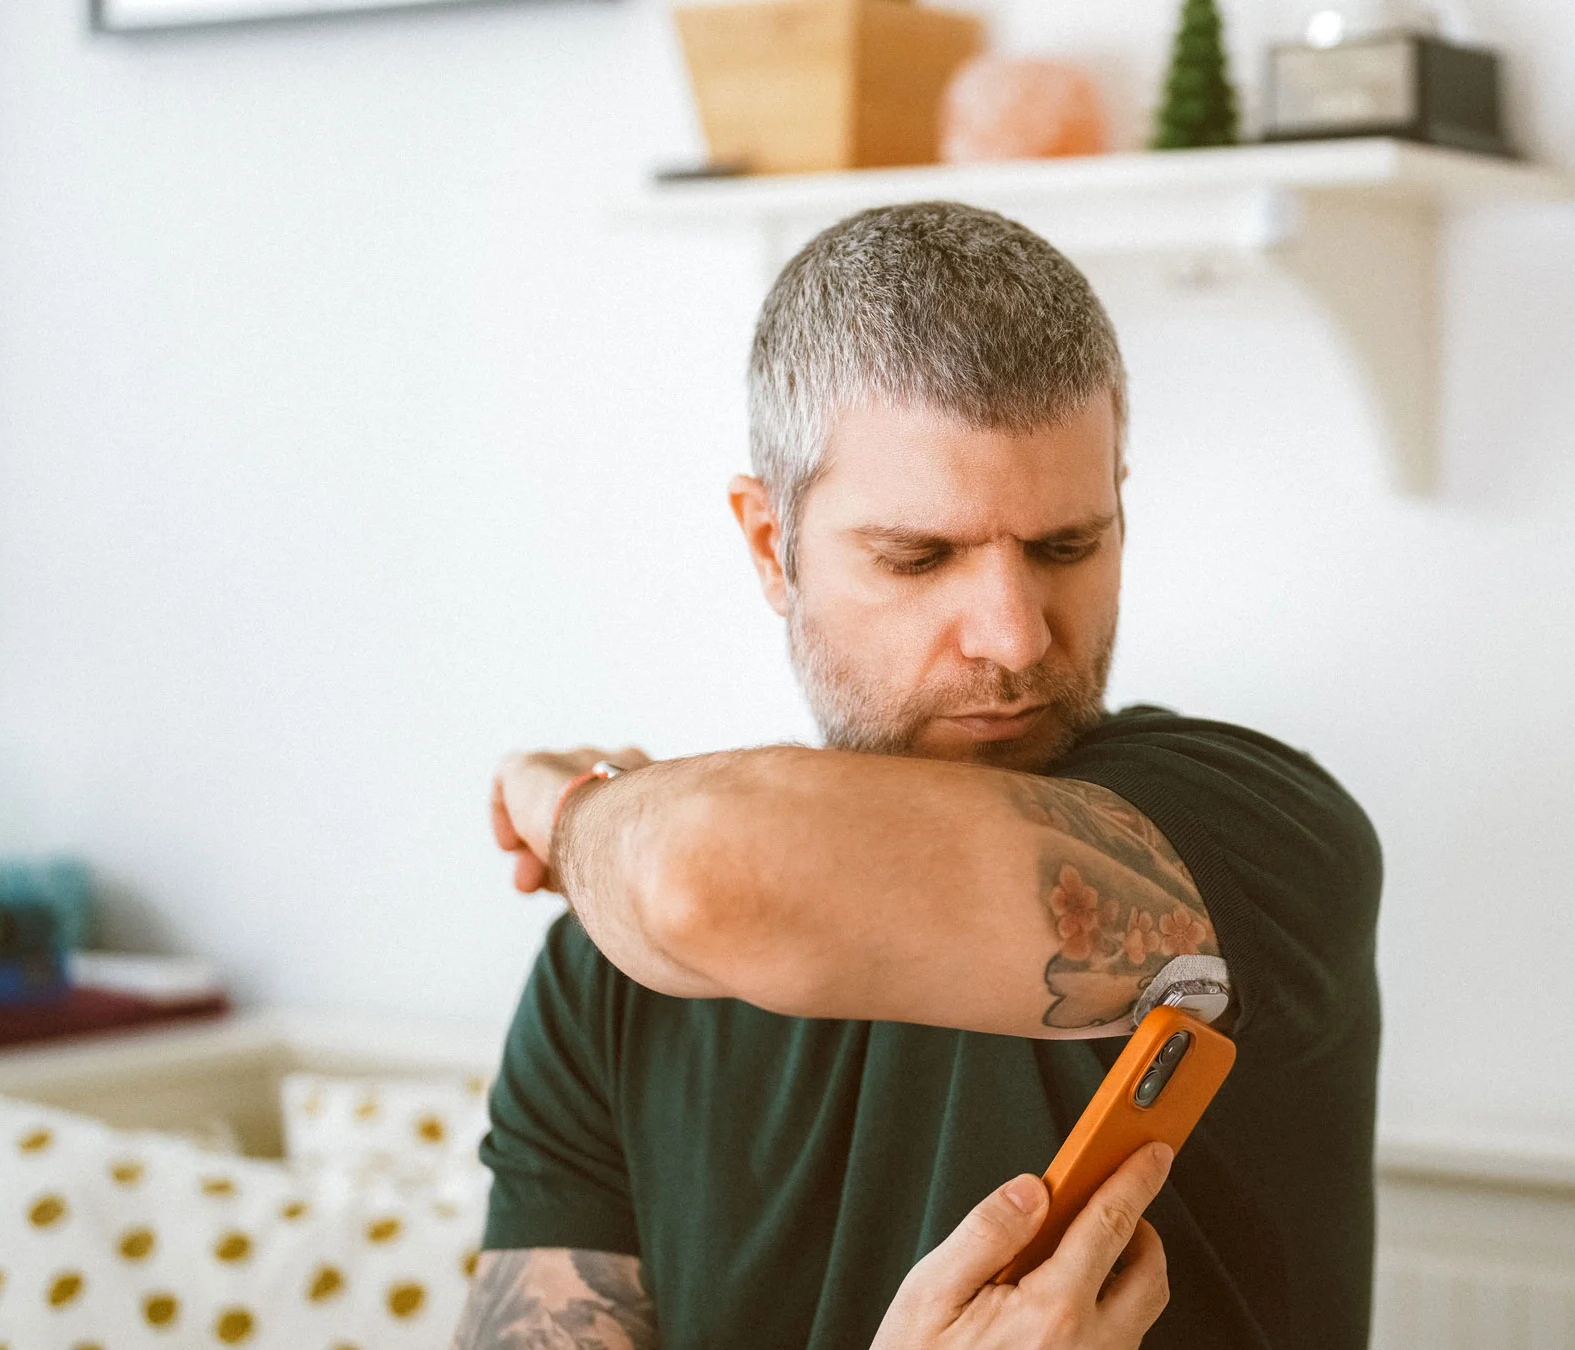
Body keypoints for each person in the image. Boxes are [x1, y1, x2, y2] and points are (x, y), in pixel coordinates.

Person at [457, 202, 1382, 1349]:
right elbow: (698, 874)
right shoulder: (603, 984)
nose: (1014, 635)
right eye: (919, 557)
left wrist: (570, 802)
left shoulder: (1252, 830)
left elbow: (698, 873)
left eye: (1067, 547)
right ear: (768, 546)